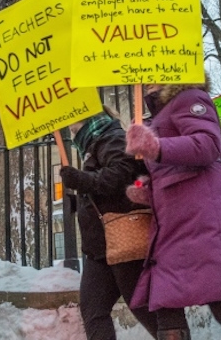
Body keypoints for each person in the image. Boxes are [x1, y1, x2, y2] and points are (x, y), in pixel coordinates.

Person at [125, 82, 221, 340]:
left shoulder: (190, 97)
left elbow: (208, 144)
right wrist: (146, 189)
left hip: (202, 220)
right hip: (173, 226)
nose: (148, 79)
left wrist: (157, 147)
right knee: (166, 304)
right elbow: (168, 171)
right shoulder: (157, 115)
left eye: (155, 72)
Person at [59, 107, 158, 339]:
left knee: (143, 309)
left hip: (122, 240)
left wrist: (81, 181)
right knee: (93, 310)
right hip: (100, 248)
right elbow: (103, 187)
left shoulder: (110, 137)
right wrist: (80, 202)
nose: (69, 125)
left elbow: (121, 176)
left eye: (72, 118)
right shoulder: (94, 142)